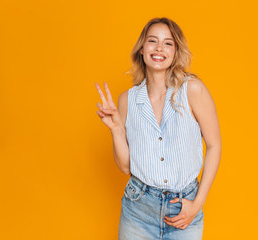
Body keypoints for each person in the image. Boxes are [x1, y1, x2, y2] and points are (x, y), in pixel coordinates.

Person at [95, 17, 221, 240]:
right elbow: (125, 167)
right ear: (142, 49)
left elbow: (214, 145)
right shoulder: (127, 100)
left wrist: (198, 203)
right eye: (152, 41)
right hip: (138, 210)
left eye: (168, 43)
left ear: (175, 52)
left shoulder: (192, 90)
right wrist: (115, 130)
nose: (159, 48)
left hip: (184, 208)